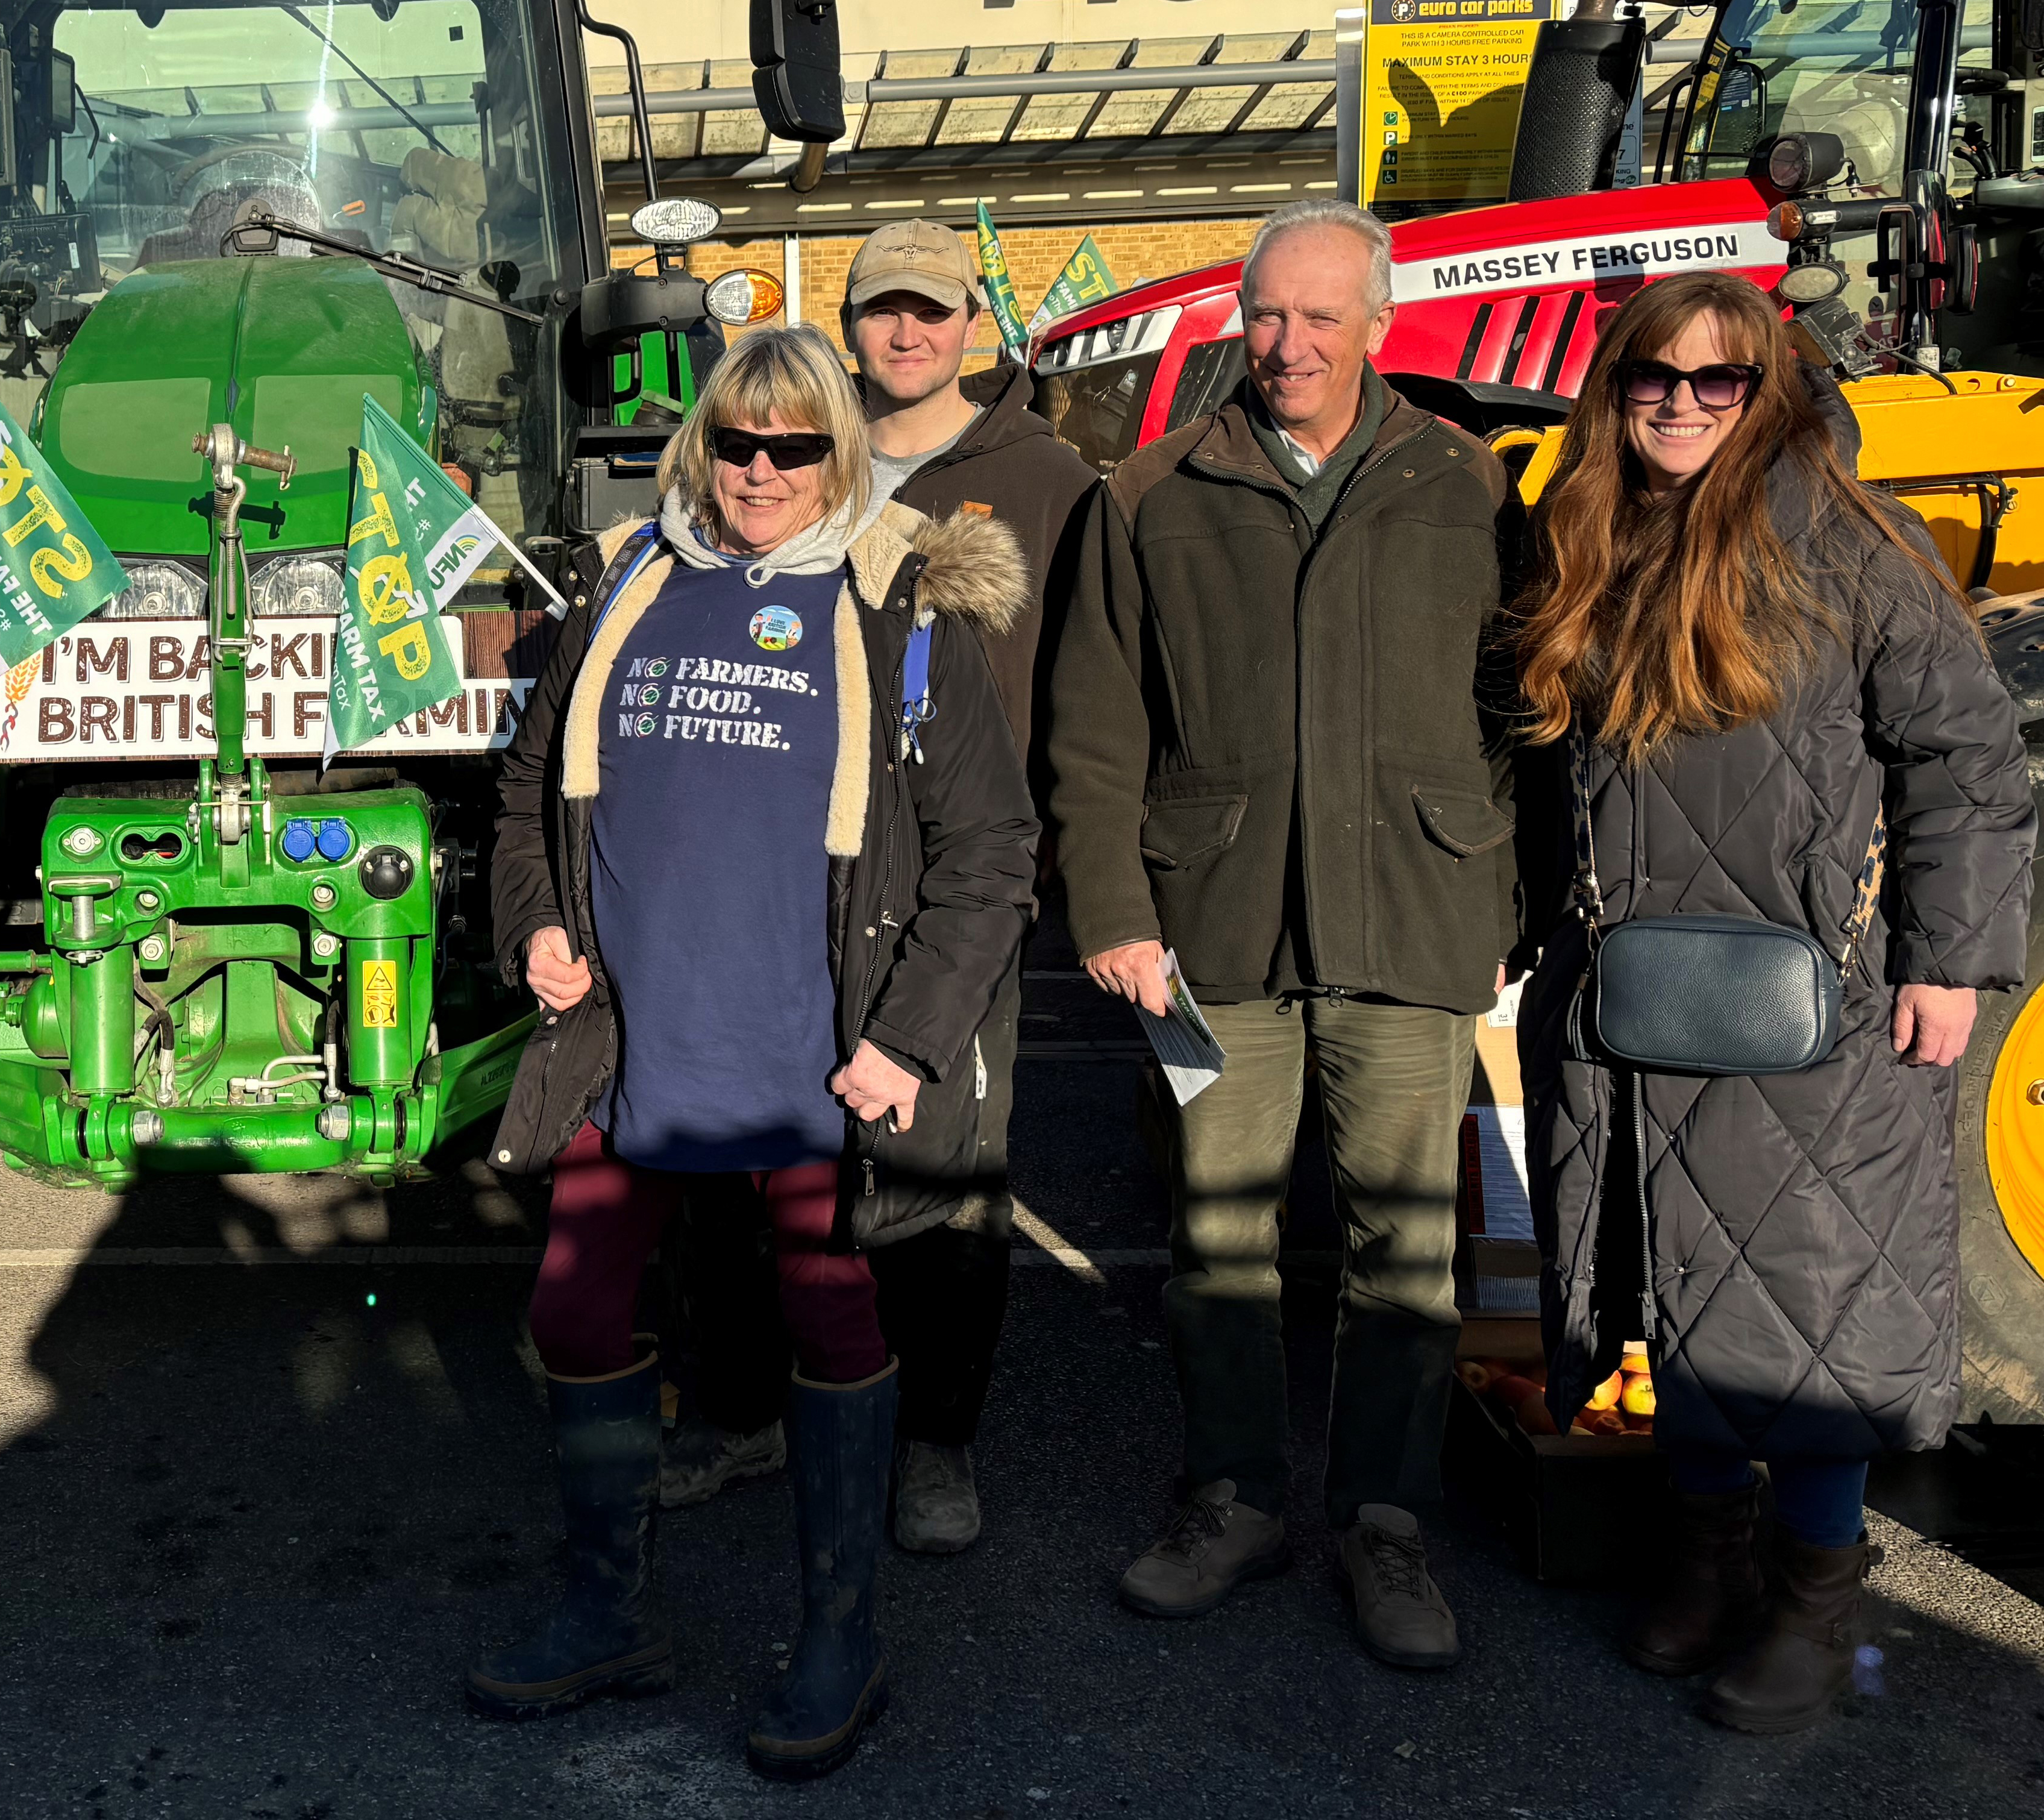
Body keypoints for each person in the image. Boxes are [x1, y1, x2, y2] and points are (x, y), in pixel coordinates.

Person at [477, 322, 1039, 1778]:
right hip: (630, 1037)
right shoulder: (633, 578)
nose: (761, 470)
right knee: (579, 1316)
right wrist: (536, 926)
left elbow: (991, 852)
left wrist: (910, 1038)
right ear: (702, 442)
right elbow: (533, 780)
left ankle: (838, 1633)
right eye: (738, 441)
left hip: (814, 1050)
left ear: (839, 451)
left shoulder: (902, 601)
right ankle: (606, 1610)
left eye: (795, 446)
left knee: (835, 1322)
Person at [1505, 272, 2031, 1733]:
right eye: (1650, 379)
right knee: (1661, 1285)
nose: (1679, 403)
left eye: (1715, 381)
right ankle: (1705, 1550)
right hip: (1631, 996)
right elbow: (1552, 776)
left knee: (1809, 1304)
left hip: (1815, 1003)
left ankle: (1813, 1589)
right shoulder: (1589, 533)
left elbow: (1968, 760)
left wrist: (1950, 957)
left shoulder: (1856, 547)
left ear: (1768, 392)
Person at [1046, 199, 1514, 1669]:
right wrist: (1116, 909)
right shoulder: (1152, 491)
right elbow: (1097, 724)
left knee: (1409, 1255)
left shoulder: (1471, 485)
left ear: (1381, 324)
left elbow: (1528, 715)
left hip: (1412, 919)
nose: (1289, 344)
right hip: (1213, 932)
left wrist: (1501, 898)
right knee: (1220, 1237)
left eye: (1322, 317)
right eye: (1267, 315)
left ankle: (1384, 1522)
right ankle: (1233, 1500)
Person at [656, 219, 1101, 1556]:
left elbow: (1090, 682)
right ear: (852, 323)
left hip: (964, 866)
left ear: (973, 321)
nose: (907, 334)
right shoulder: (790, 450)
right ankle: (753, 1410)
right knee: (755, 1180)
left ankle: (935, 1443)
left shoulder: (1048, 479)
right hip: (794, 890)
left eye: (933, 311)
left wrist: (1071, 877)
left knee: (938, 1182)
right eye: (883, 310)